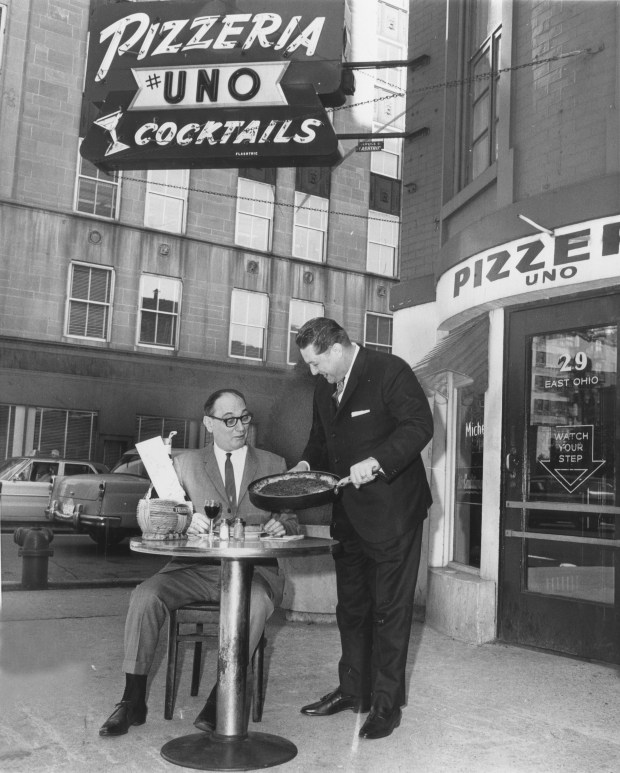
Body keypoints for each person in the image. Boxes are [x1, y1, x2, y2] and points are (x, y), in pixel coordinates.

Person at [99, 388, 299, 737]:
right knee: (144, 596)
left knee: (251, 607)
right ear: (208, 423)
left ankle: (222, 697)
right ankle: (132, 701)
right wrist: (182, 519)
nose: (240, 427)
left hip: (255, 573)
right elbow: (160, 518)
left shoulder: (273, 464)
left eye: (245, 417)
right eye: (229, 420)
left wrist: (283, 524)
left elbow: (293, 520)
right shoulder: (185, 463)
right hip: (193, 569)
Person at [291, 317, 433, 740]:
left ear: (336, 349)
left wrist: (378, 461)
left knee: (390, 610)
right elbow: (322, 440)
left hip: (393, 514)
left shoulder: (389, 371)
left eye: (316, 364)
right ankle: (354, 691)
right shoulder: (323, 387)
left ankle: (387, 705)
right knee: (351, 609)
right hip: (348, 516)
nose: (314, 373)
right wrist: (304, 464)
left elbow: (419, 426)